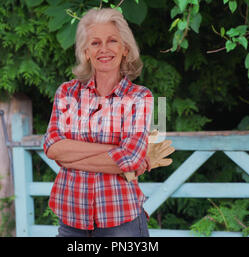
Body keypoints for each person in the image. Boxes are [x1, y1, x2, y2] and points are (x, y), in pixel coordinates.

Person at [43, 8, 168, 237]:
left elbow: (130, 159)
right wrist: (115, 153)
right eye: (95, 43)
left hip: (121, 221)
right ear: (85, 52)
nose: (104, 49)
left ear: (125, 49)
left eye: (112, 41)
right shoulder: (67, 92)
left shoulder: (139, 97)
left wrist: (70, 158)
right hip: (71, 219)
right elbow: (52, 147)